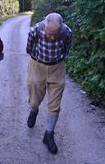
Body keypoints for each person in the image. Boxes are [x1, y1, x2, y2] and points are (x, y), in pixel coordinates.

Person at [26, 13, 72, 154]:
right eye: (49, 34)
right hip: (37, 66)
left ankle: (49, 135)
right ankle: (34, 110)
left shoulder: (66, 32)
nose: (52, 38)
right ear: (44, 27)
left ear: (61, 29)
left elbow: (67, 48)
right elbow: (29, 48)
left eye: (56, 35)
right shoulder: (35, 30)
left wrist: (56, 61)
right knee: (34, 101)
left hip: (57, 68)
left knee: (55, 105)